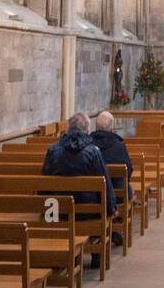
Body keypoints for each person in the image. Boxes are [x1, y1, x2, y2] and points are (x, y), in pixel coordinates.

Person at [42, 113, 116, 268]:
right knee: (96, 201)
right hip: (86, 213)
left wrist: (46, 213)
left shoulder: (53, 151)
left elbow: (45, 184)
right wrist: (111, 208)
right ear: (87, 130)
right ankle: (97, 255)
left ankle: (58, 257)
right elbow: (104, 184)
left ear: (68, 129)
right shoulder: (93, 152)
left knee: (57, 200)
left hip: (59, 212)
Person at [91, 110, 133, 246]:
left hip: (92, 196)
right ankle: (114, 230)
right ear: (111, 127)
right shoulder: (119, 146)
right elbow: (129, 171)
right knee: (127, 187)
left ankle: (110, 231)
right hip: (115, 195)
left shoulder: (88, 146)